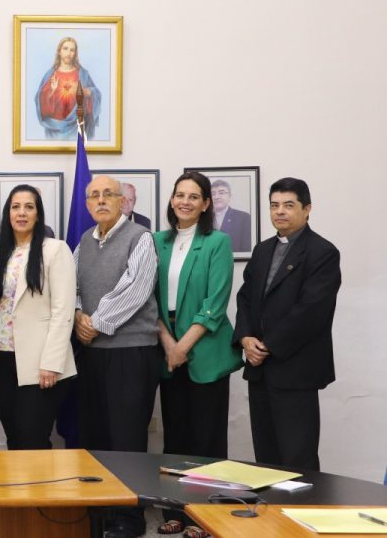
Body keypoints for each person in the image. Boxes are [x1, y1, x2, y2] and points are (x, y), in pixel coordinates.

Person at [152, 173, 243, 536]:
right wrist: (166, 342)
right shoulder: (156, 241)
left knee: (206, 439)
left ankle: (206, 518)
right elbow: (149, 300)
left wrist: (181, 346)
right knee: (175, 439)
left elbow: (215, 304)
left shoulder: (218, 242)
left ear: (206, 203)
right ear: (171, 200)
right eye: (179, 195)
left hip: (203, 349)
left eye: (194, 196)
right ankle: (176, 511)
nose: (184, 202)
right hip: (166, 345)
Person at [72, 175, 159, 538]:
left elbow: (136, 288)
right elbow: (70, 284)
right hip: (92, 354)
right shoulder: (84, 241)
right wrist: (77, 315)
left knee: (127, 438)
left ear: (124, 201)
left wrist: (96, 323)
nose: (101, 200)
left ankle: (128, 519)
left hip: (130, 352)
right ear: (88, 204)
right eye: (94, 195)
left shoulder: (140, 237)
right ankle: (101, 513)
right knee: (96, 436)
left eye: (109, 194)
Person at [234, 177, 341, 471]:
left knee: (298, 457)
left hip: (296, 370)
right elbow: (244, 298)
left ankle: (299, 516)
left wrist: (267, 345)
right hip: (259, 369)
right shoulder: (262, 250)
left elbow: (312, 311)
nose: (280, 211)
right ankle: (270, 517)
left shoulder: (323, 252)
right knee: (266, 458)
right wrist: (245, 338)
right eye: (274, 205)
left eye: (288, 205)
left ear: (307, 210)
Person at [0, 185, 76, 450]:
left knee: (32, 440)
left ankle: (40, 492)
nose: (21, 213)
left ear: (38, 214)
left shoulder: (56, 250)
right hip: (1, 359)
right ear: (8, 213)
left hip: (40, 363)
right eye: (15, 207)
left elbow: (63, 311)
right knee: (14, 439)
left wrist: (51, 363)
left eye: (29, 207)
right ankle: (18, 492)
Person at [35, 36, 103, 139]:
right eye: (65, 48)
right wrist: (52, 92)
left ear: (75, 53)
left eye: (72, 50)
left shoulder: (83, 74)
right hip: (54, 130)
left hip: (77, 127)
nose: (68, 53)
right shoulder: (50, 75)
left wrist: (86, 92)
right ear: (59, 51)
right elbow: (41, 103)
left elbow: (96, 94)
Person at [210, 179, 252, 252]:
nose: (217, 197)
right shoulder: (204, 218)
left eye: (221, 193)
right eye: (213, 194)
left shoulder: (244, 218)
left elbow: (246, 248)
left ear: (230, 196)